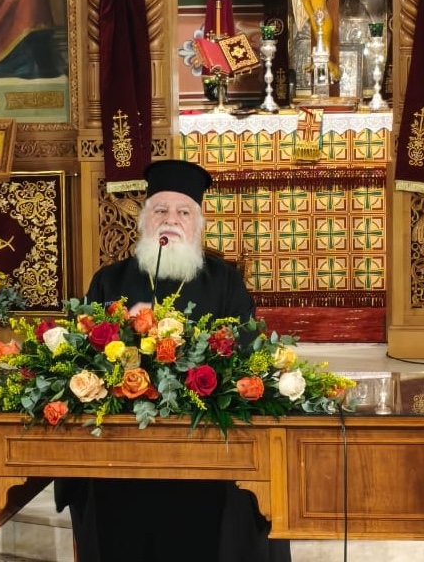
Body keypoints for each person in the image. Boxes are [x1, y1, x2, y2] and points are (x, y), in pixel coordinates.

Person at [55, 159, 291, 562]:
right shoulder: (109, 279)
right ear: (144, 221)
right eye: (161, 210)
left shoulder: (224, 280)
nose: (171, 220)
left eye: (183, 212)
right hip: (124, 449)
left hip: (207, 451)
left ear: (197, 225)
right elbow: (81, 352)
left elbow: (247, 350)